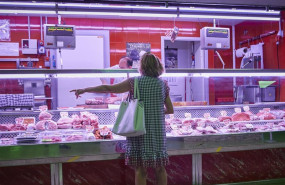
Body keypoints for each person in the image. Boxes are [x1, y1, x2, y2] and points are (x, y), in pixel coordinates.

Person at [70, 52, 174, 185]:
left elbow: (107, 87)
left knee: (140, 169)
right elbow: (170, 110)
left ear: (141, 67)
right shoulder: (163, 84)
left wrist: (84, 89)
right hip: (157, 133)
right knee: (160, 168)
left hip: (138, 131)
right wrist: (155, 113)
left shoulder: (134, 82)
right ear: (158, 66)